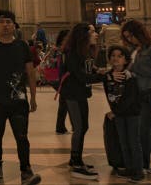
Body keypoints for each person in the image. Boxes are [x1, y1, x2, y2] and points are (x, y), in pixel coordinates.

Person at [0, 10, 41, 185]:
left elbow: (30, 72)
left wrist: (33, 96)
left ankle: (26, 170)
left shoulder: (22, 46)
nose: (6, 25)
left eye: (9, 22)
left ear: (14, 26)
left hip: (19, 100)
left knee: (22, 136)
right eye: (2, 22)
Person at [122, 19, 151, 174]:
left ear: (138, 33)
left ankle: (147, 163)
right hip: (140, 93)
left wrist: (139, 71)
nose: (129, 39)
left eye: (130, 36)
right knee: (148, 128)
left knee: (144, 128)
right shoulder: (138, 50)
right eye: (126, 37)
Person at [60, 22, 102, 179]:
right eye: (92, 32)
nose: (96, 34)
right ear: (83, 36)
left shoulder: (84, 52)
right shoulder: (73, 53)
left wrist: (99, 72)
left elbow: (88, 70)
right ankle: (76, 163)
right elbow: (81, 76)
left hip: (81, 94)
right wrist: (103, 77)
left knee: (83, 126)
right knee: (79, 127)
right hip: (73, 95)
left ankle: (74, 159)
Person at [103, 45, 144, 181]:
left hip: (132, 113)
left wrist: (115, 112)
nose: (116, 58)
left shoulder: (129, 76)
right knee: (123, 141)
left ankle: (138, 171)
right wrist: (115, 111)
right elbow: (109, 94)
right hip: (119, 114)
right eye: (113, 55)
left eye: (120, 56)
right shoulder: (108, 76)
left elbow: (129, 99)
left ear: (126, 60)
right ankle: (129, 168)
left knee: (133, 142)